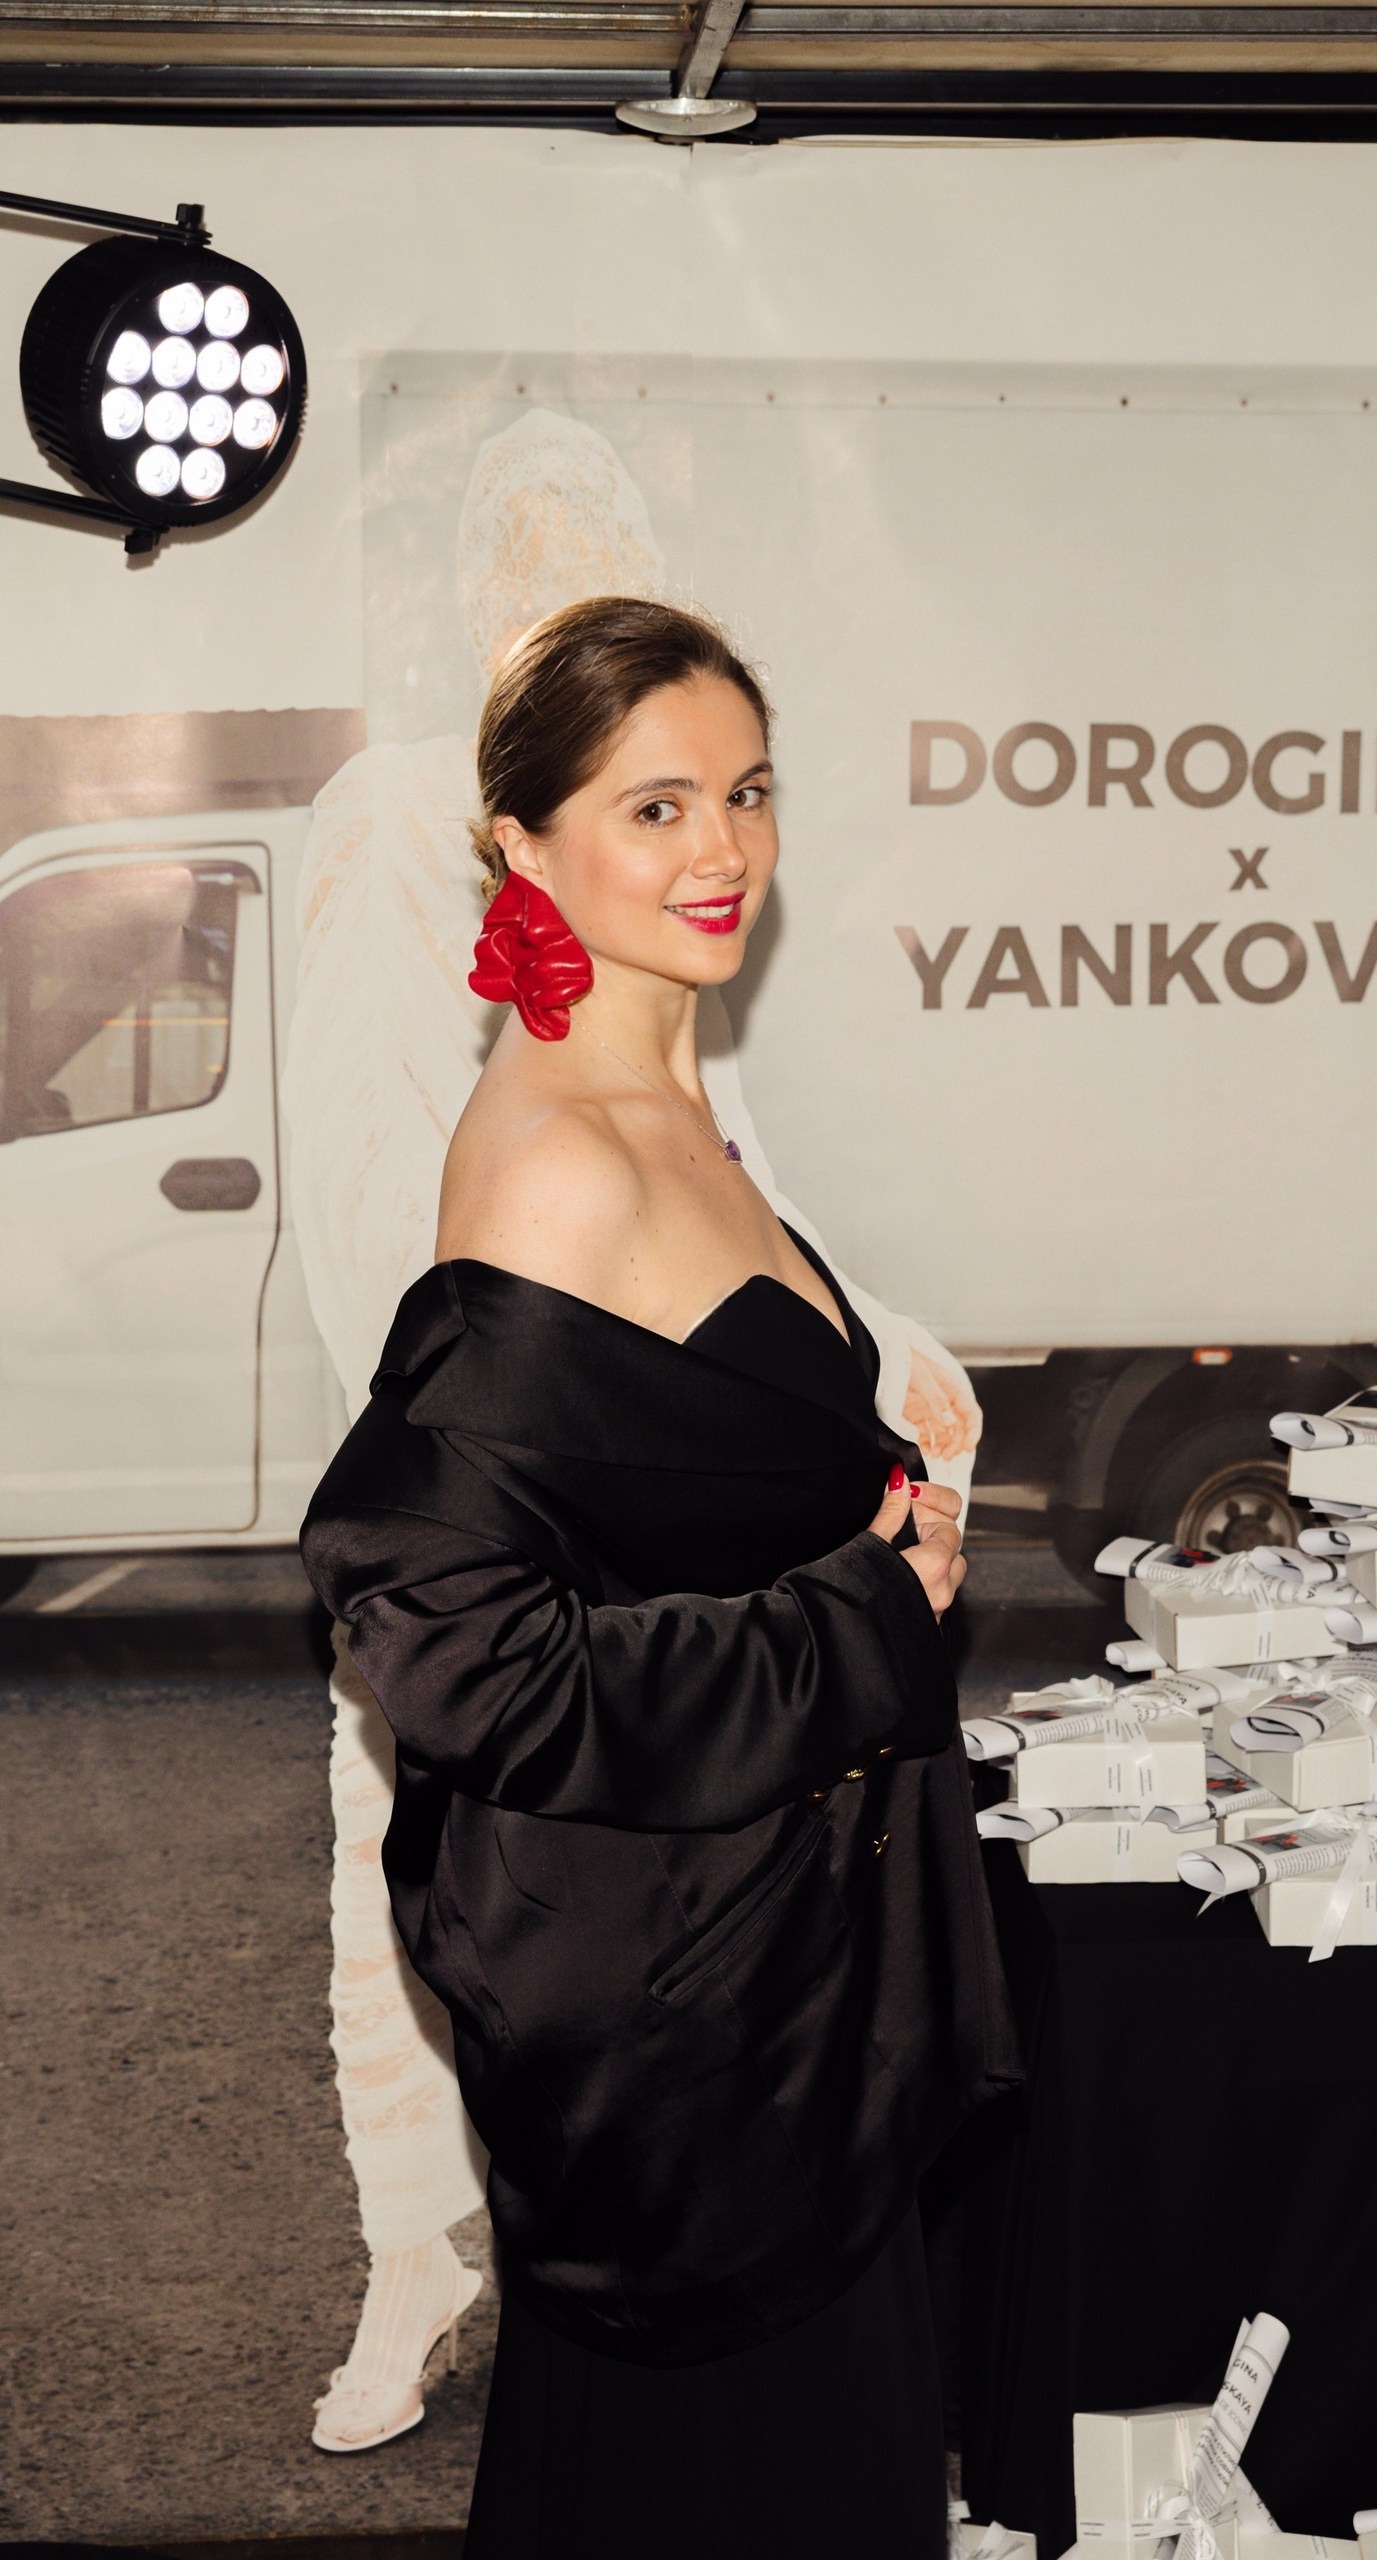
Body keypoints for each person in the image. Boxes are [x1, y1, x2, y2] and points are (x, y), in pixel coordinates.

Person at [282, 409, 984, 2457]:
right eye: (656, 805)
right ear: (524, 840)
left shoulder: (667, 1090)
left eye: (746, 793)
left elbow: (676, 1429)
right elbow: (444, 1633)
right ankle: (412, 2254)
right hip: (691, 2029)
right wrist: (863, 1614)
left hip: (787, 1963)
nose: (721, 851)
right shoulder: (555, 1155)